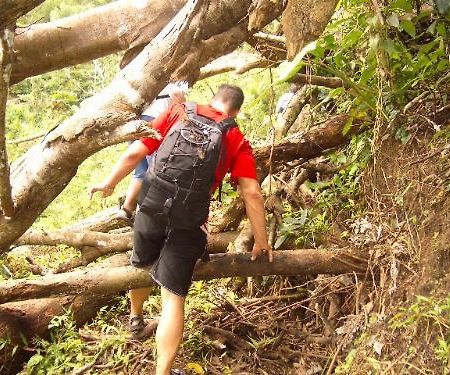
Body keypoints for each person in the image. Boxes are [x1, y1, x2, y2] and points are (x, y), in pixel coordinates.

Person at [89, 84, 272, 375]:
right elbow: (251, 192)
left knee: (143, 263)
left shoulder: (178, 111)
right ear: (236, 110)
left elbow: (136, 152)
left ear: (214, 100)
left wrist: (109, 184)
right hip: (189, 218)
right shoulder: (234, 136)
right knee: (173, 298)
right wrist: (260, 240)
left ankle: (135, 320)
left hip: (151, 202)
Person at [119, 81, 189, 219]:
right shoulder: (173, 80)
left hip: (134, 123)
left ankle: (127, 210)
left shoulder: (137, 76)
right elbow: (178, 98)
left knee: (140, 171)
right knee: (156, 169)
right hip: (156, 121)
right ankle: (148, 212)